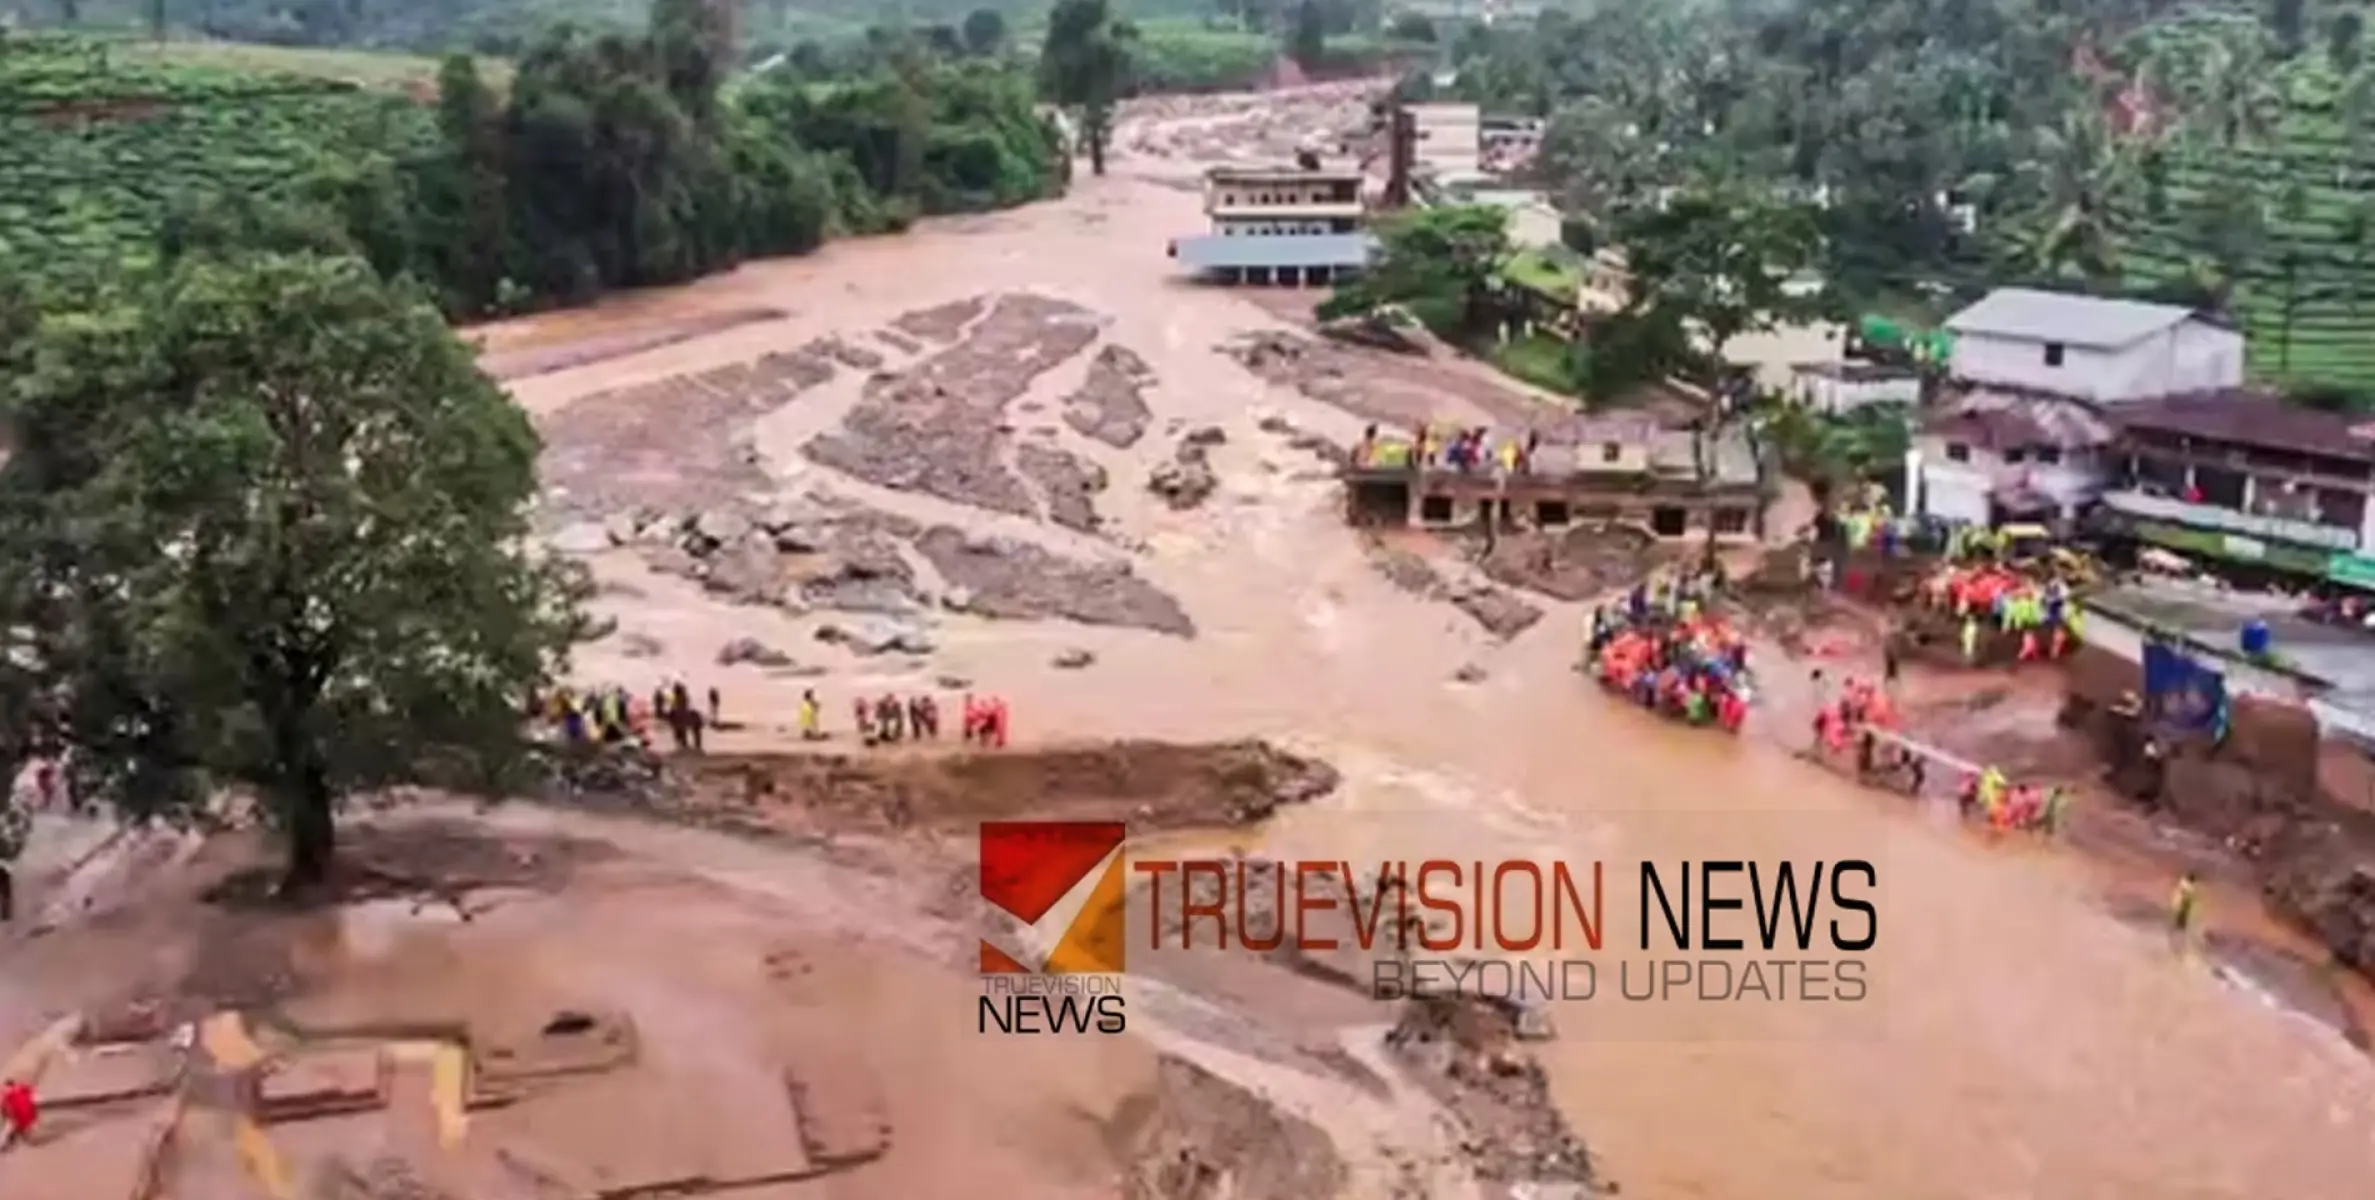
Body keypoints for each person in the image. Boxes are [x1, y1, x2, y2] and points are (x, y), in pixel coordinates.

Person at [2170, 871, 2201, 940]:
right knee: (2182, 914)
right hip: (2184, 902)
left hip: (2184, 902)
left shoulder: (2184, 883)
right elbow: (2187, 894)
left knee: (2182, 914)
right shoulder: (2187, 885)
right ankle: (2179, 926)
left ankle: (2179, 926)